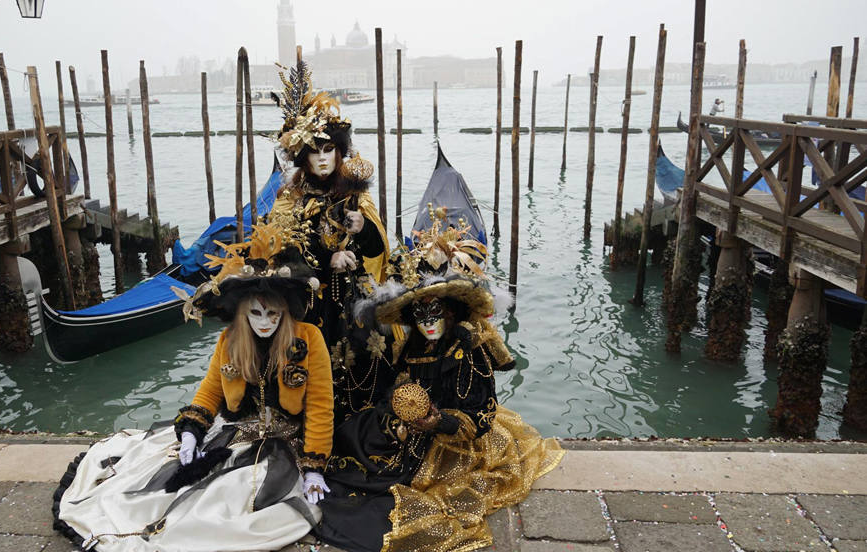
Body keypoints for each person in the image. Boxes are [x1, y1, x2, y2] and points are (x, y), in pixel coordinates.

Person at [52, 226, 334, 552]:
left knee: (231, 500)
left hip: (287, 441)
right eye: (256, 313)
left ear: (284, 311)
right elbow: (211, 391)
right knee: (170, 485)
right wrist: (192, 432)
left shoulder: (308, 339)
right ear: (243, 313)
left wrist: (315, 467)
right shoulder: (229, 341)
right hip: (239, 432)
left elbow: (319, 405)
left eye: (273, 314)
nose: (265, 322)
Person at [315, 233, 564, 552]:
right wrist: (400, 409)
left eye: (435, 312)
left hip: (452, 442)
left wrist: (439, 423)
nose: (428, 321)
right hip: (413, 430)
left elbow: (481, 416)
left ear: (450, 310)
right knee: (354, 438)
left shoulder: (466, 351)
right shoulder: (414, 345)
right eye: (419, 314)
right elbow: (401, 383)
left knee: (408, 488)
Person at [268, 60, 392, 419]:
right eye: (314, 152)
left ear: (340, 153)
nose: (322, 159)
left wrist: (362, 228)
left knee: (368, 360)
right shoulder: (290, 200)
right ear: (303, 157)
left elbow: (377, 250)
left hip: (356, 299)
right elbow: (283, 253)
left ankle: (362, 422)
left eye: (328, 151)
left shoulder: (357, 196)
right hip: (313, 301)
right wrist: (327, 261)